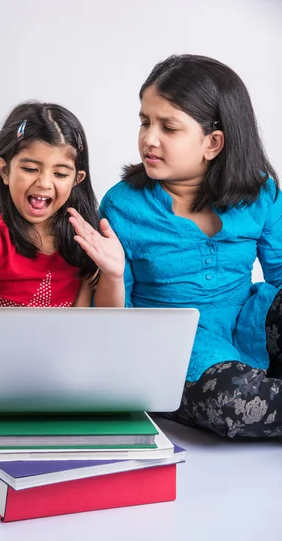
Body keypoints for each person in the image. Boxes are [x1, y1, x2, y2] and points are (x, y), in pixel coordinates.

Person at [99, 54, 282, 438]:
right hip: (176, 350)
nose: (149, 138)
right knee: (236, 402)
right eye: (145, 121)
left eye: (169, 127)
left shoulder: (260, 193)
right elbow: (114, 319)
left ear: (213, 142)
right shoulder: (122, 206)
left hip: (244, 325)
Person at [0, 101, 124, 395]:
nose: (44, 182)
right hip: (0, 357)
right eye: (29, 168)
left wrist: (113, 274)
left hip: (60, 361)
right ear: (4, 170)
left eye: (60, 174)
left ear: (77, 180)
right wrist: (17, 336)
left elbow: (100, 322)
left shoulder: (80, 238)